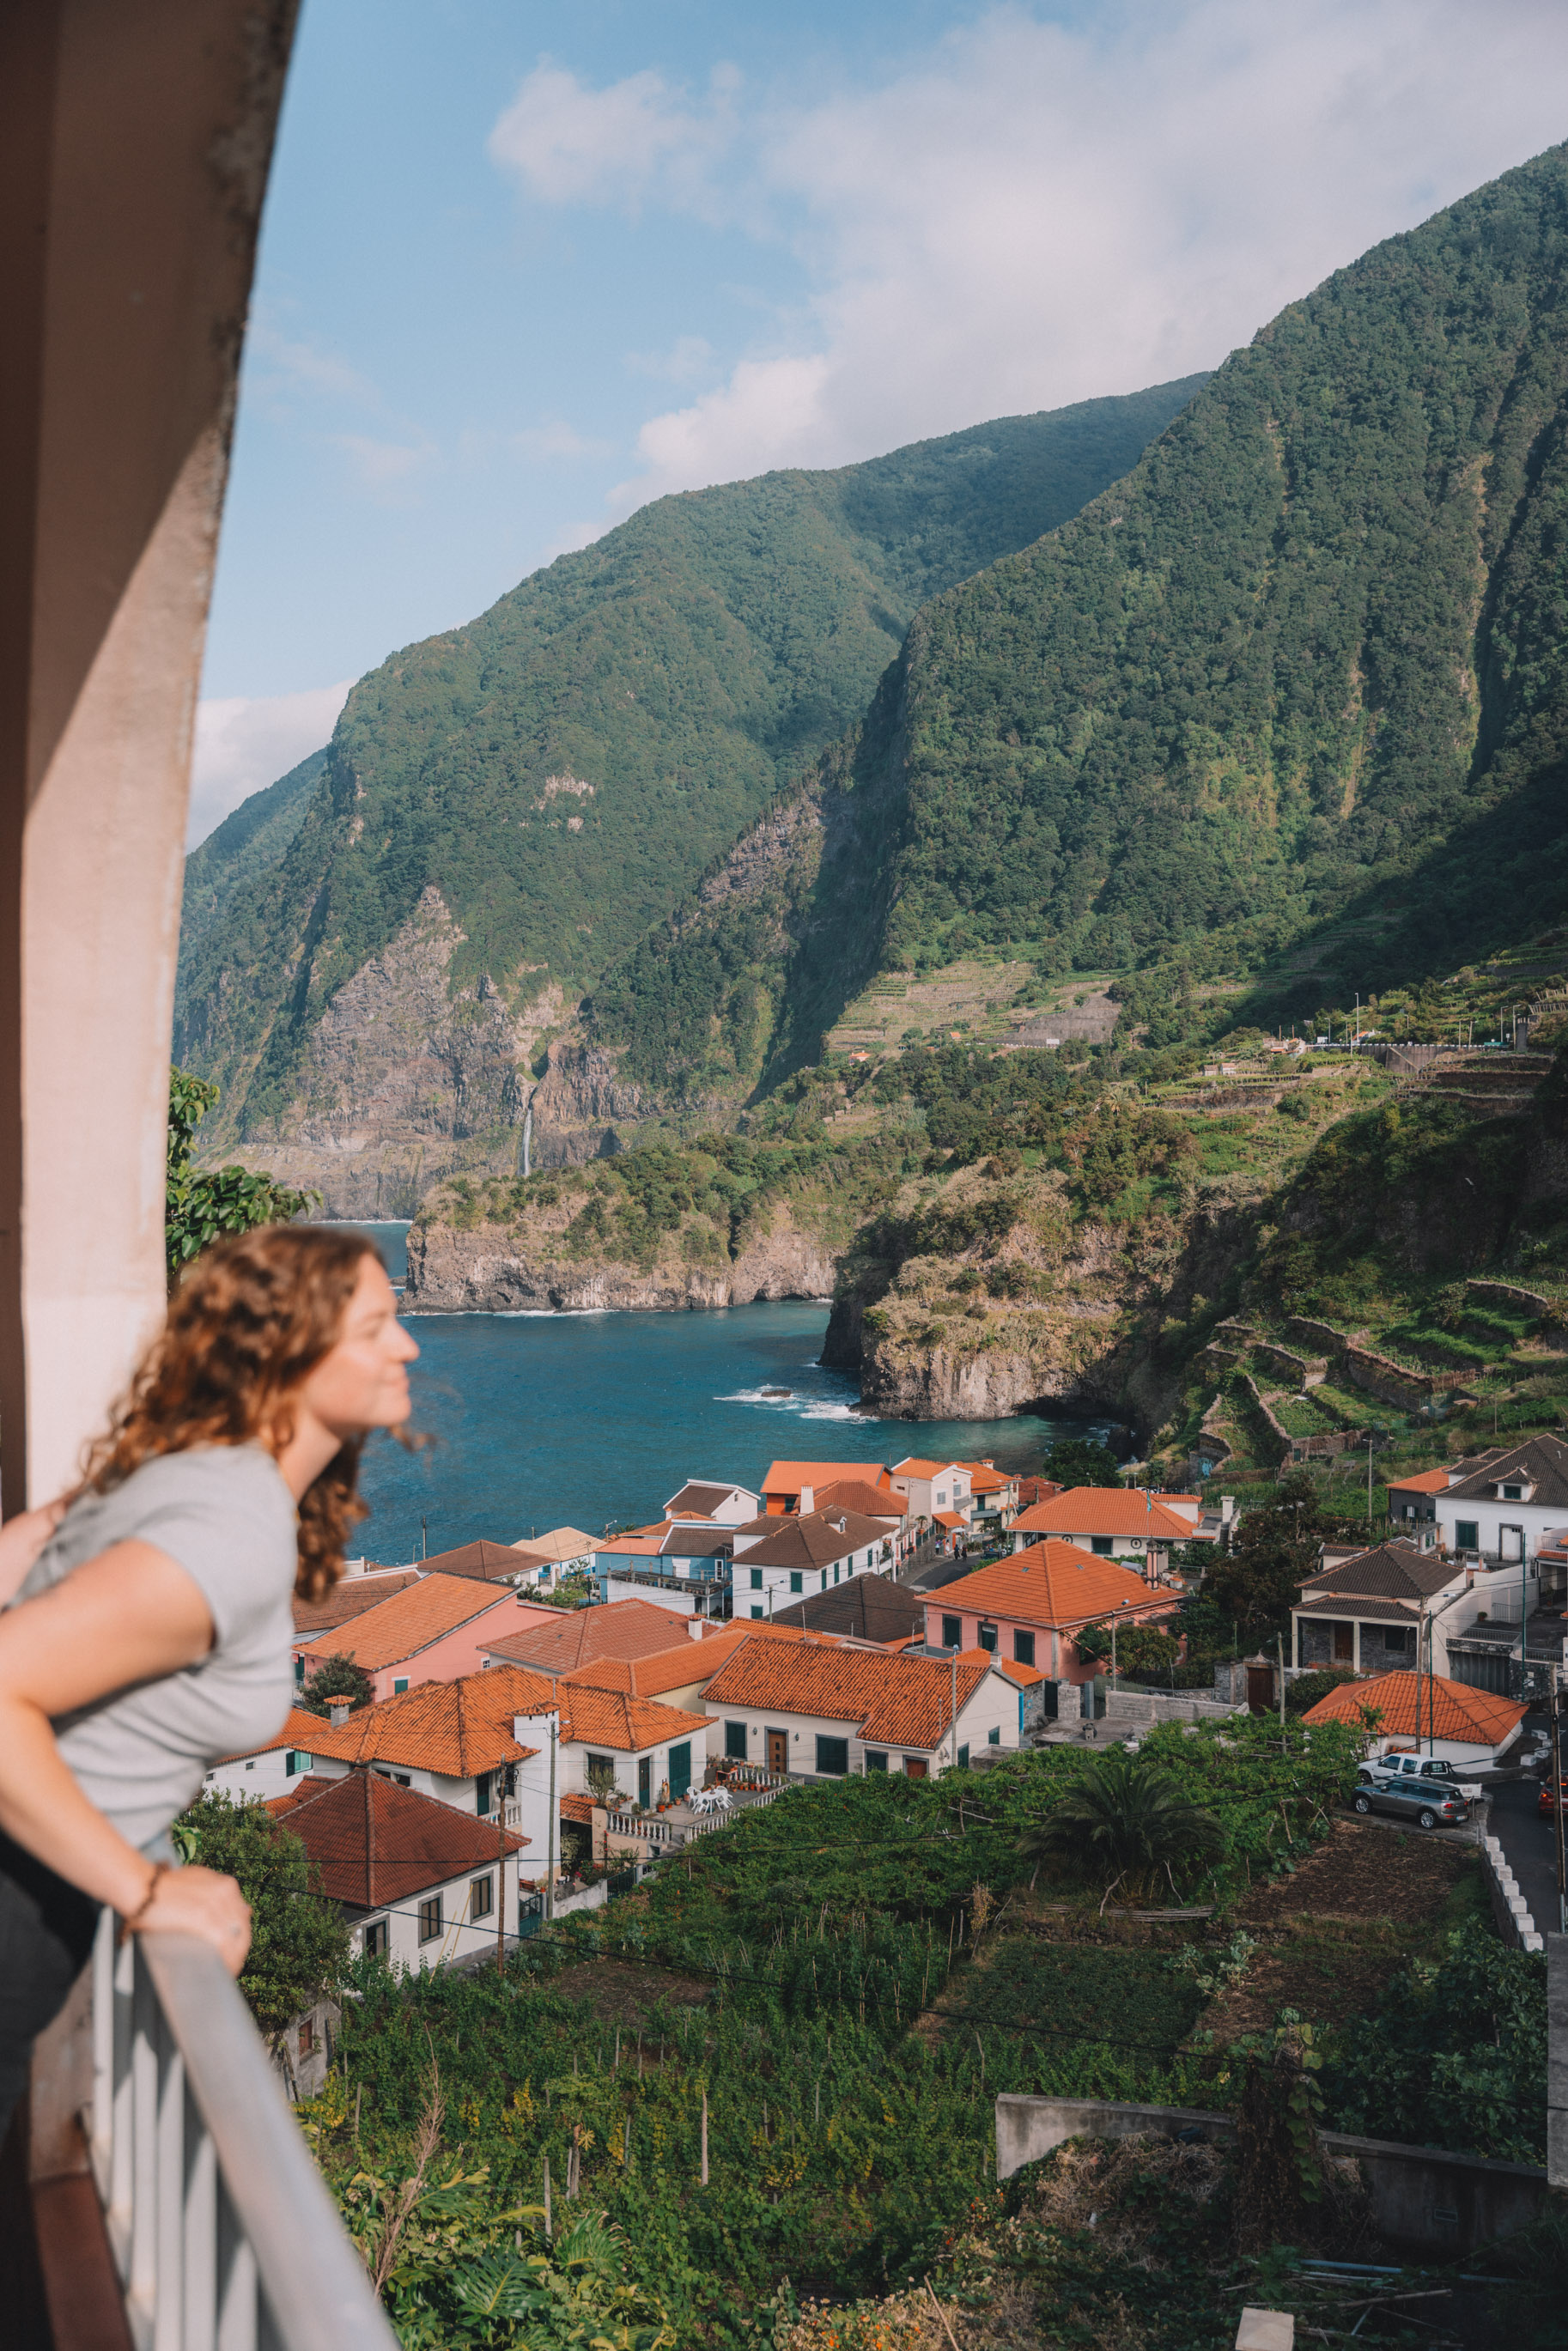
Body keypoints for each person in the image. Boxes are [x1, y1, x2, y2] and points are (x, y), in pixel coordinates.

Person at [0, 1225, 417, 2136]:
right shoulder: (228, 1526)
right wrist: (145, 1887)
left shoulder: (181, 1472)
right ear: (288, 1350)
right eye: (376, 1324)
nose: (408, 1344)